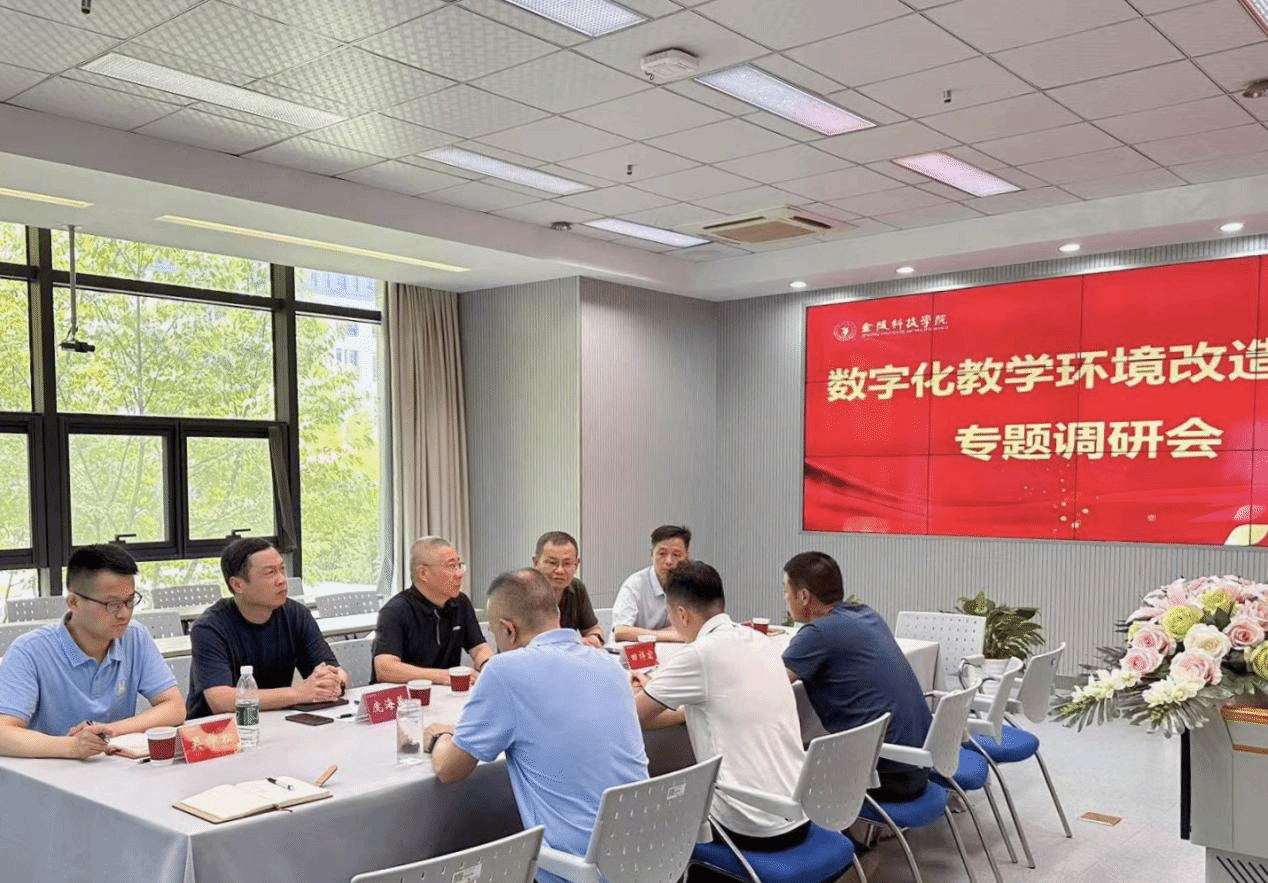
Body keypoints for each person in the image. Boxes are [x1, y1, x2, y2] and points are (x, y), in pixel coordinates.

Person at [424, 569, 648, 883]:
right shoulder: (607, 663)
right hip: (644, 855)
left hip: (578, 870)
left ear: (508, 630)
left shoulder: (505, 671)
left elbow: (450, 770)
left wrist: (440, 735)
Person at [634, 560, 808, 859]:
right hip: (799, 809)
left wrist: (648, 691)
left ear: (682, 614)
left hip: (749, 825)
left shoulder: (700, 654)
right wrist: (671, 698)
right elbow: (720, 703)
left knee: (649, 814)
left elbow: (631, 718)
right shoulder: (760, 640)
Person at [0, 544, 185, 759]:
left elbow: (175, 707)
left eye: (129, 601)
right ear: (74, 602)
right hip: (49, 770)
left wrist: (109, 730)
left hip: (115, 767)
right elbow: (3, 733)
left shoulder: (135, 637)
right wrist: (72, 747)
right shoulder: (29, 652)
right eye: (112, 604)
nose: (124, 614)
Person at [781, 551, 932, 801]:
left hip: (886, 774)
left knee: (780, 768)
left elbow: (773, 683)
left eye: (786, 591)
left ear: (804, 596)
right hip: (919, 761)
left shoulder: (818, 633)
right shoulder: (866, 613)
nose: (785, 599)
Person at [187, 538, 348, 719]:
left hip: (276, 720)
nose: (282, 580)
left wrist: (333, 681)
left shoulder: (296, 614)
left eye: (282, 569)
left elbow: (336, 670)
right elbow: (221, 701)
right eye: (270, 573)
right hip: (220, 728)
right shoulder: (209, 628)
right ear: (237, 584)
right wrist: (300, 693)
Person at [372, 536, 492, 685]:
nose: (459, 573)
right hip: (405, 695)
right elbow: (385, 668)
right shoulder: (395, 611)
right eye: (451, 566)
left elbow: (479, 648)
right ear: (423, 573)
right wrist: (443, 676)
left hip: (446, 692)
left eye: (459, 565)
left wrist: (488, 666)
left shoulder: (460, 603)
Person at [612, 524, 692, 642]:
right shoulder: (635, 585)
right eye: (662, 554)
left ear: (687, 557)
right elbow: (621, 631)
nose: (669, 561)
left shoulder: (691, 584)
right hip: (633, 652)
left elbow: (697, 627)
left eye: (676, 555)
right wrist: (672, 635)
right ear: (651, 555)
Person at [532, 530, 603, 647]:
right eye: (552, 563)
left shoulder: (577, 587)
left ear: (577, 564)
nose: (560, 570)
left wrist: (593, 638)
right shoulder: (520, 591)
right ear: (536, 563)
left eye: (567, 563)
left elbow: (592, 629)